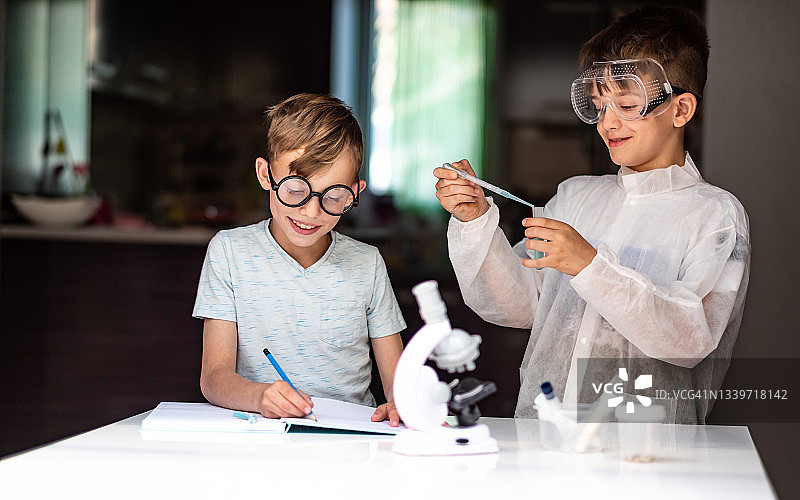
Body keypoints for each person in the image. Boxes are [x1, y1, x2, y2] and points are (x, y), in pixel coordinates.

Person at [434, 6, 750, 424]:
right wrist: (475, 218)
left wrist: (588, 263)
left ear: (681, 109)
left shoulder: (715, 215)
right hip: (545, 435)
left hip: (648, 452)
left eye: (628, 104)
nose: (608, 124)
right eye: (600, 107)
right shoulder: (576, 197)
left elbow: (689, 340)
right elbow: (518, 305)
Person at [194, 93, 406, 425]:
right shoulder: (230, 252)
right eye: (295, 190)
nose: (311, 212)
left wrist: (403, 402)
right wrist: (260, 397)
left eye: (335, 197)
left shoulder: (368, 264)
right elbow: (214, 378)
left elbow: (399, 384)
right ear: (266, 175)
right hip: (264, 436)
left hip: (353, 441)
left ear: (356, 191)